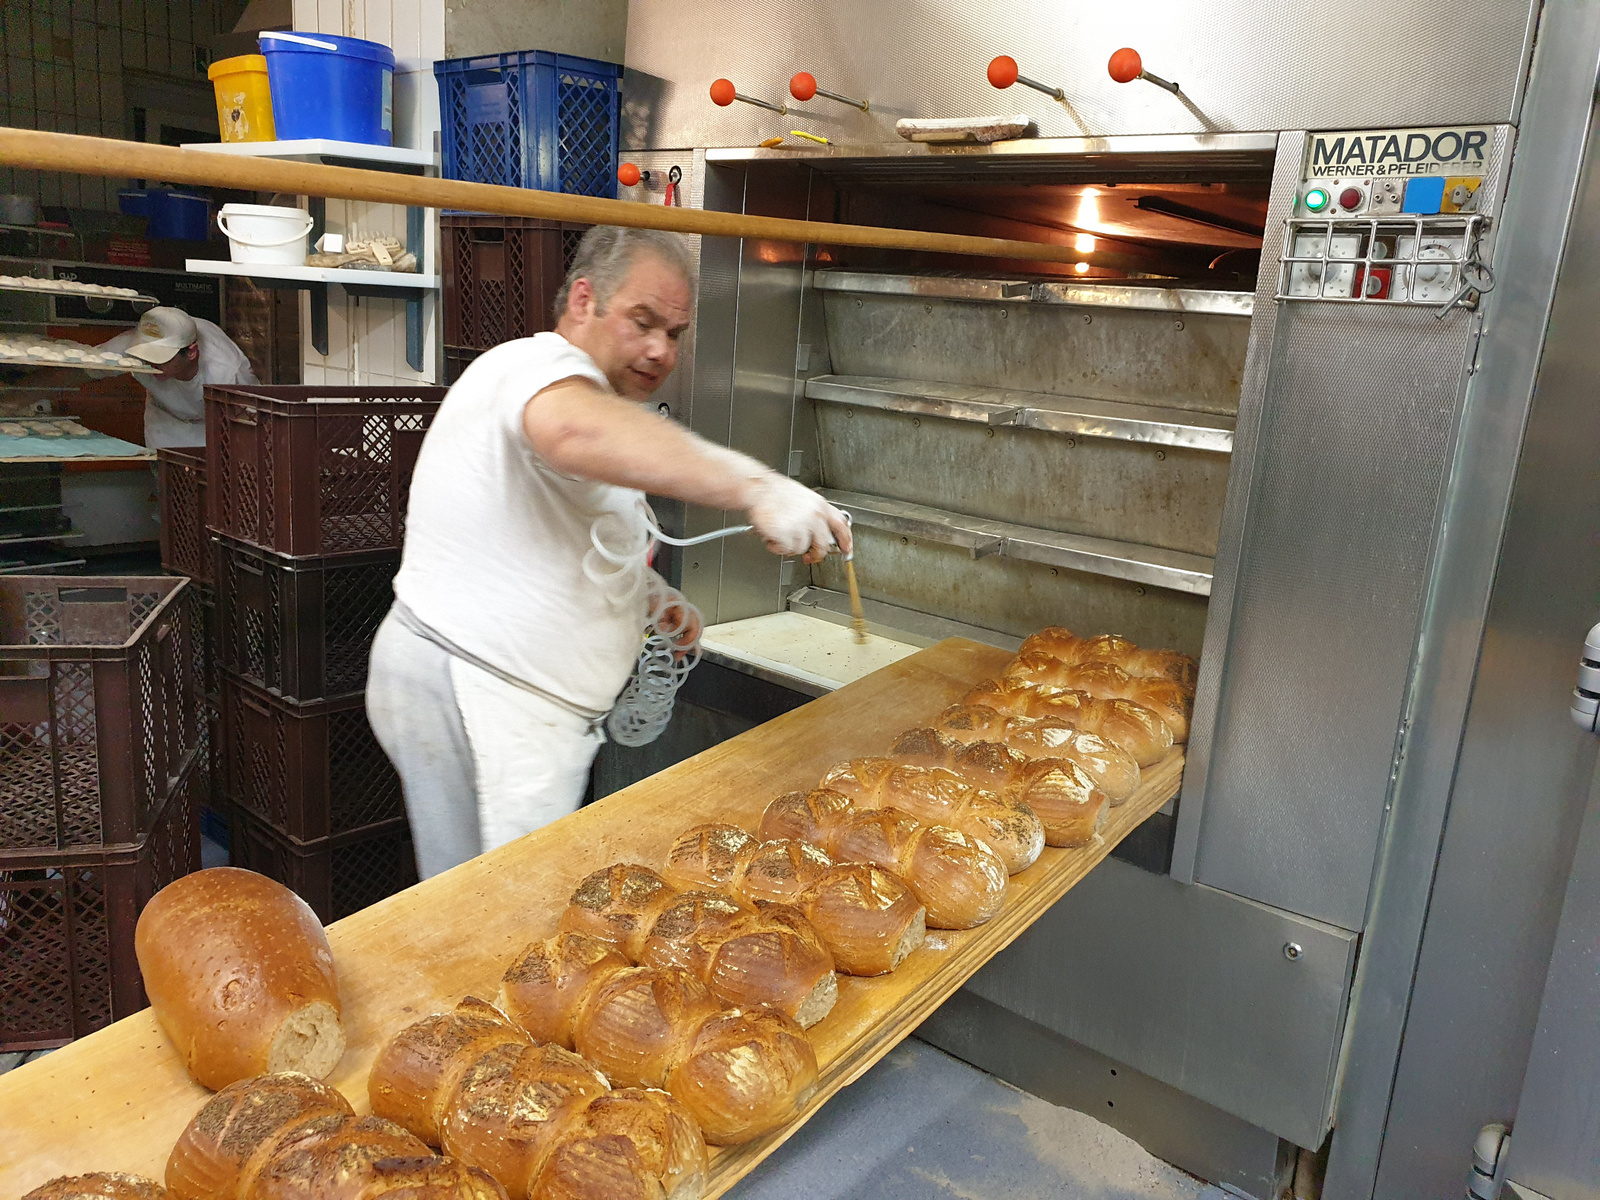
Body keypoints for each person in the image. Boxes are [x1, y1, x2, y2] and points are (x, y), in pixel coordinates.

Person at [367, 225, 851, 880]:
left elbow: (558, 528)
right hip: (480, 692)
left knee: (491, 913)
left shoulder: (586, 397)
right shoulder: (535, 370)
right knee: (496, 919)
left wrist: (648, 601)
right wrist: (757, 485)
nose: (659, 350)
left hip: (509, 700)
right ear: (584, 300)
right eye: (642, 322)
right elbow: (570, 432)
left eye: (675, 334)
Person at [34, 306, 258, 448]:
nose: (151, 364)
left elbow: (253, 418)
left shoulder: (228, 371)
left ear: (191, 353)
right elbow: (78, 370)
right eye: (147, 356)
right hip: (166, 424)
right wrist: (19, 395)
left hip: (217, 428)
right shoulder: (128, 348)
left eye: (161, 358)